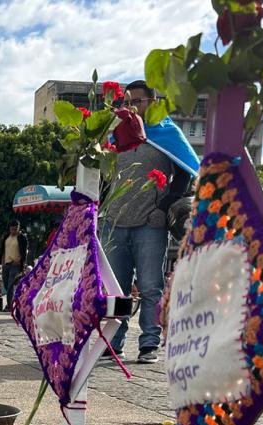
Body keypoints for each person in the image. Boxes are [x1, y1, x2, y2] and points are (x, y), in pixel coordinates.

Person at [101, 79, 200, 364]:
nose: (131, 107)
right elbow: (105, 175)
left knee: (149, 286)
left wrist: (164, 206)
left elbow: (185, 173)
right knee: (116, 289)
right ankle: (114, 343)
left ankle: (149, 343)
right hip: (115, 220)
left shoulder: (166, 132)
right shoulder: (118, 135)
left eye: (137, 101)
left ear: (153, 102)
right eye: (126, 102)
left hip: (149, 223)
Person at [0, 221, 27, 310]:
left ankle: (9, 306)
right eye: (12, 229)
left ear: (18, 228)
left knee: (11, 285)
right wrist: (2, 261)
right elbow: (3, 250)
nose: (14, 231)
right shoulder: (6, 237)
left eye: (16, 229)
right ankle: (14, 301)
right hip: (6, 264)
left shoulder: (22, 238)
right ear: (10, 229)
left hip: (16, 264)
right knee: (6, 284)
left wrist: (21, 262)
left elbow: (25, 252)